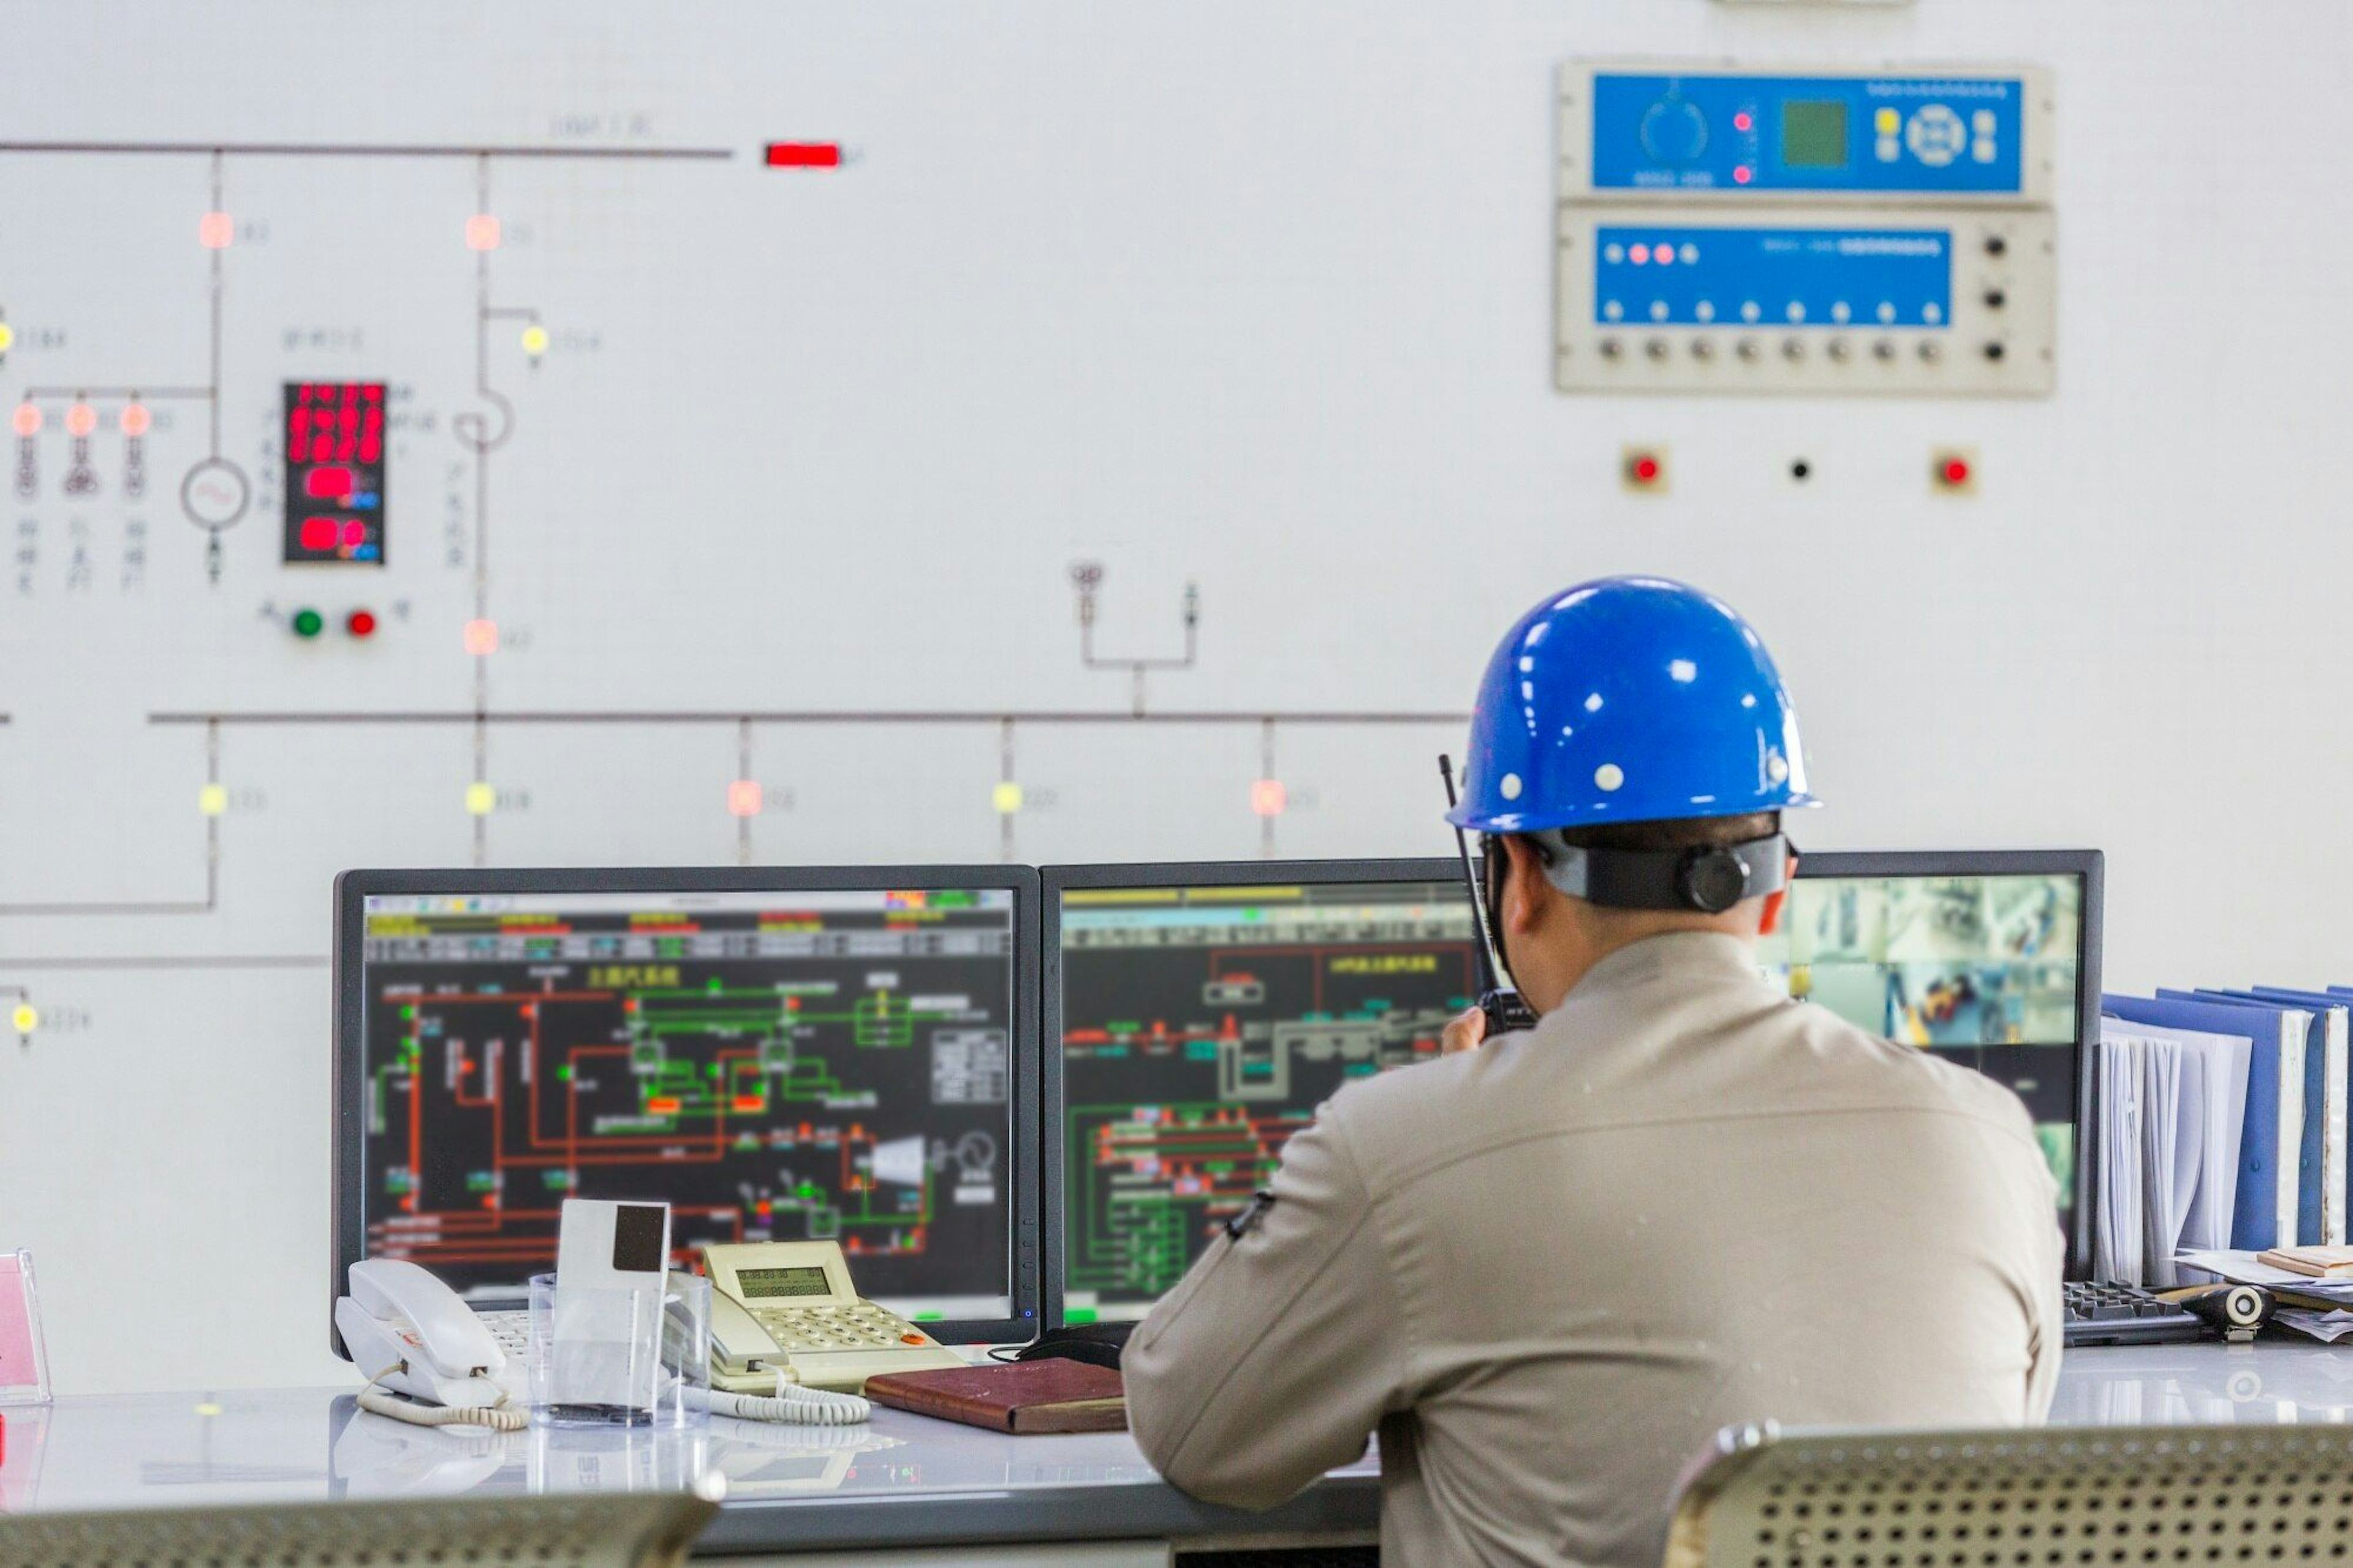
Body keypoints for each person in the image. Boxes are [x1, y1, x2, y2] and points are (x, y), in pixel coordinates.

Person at [1122, 576, 2063, 1568]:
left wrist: (1441, 1130)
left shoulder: (1411, 1150)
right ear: (1779, 885)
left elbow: (1195, 1435)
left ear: (1518, 881)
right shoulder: (1990, 1137)